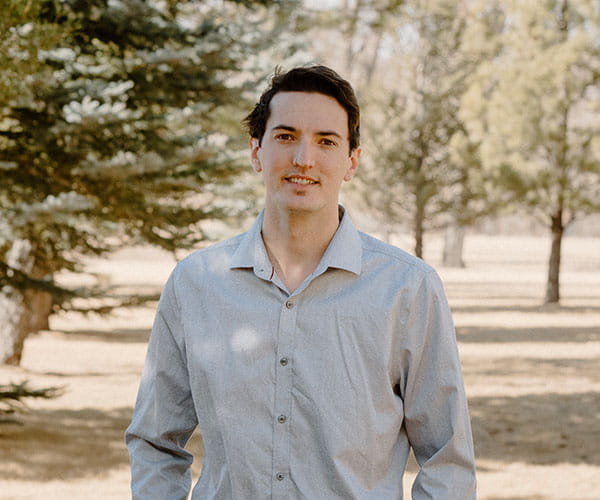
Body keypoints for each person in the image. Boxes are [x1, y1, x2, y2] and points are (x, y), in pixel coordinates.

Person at [125, 64, 477, 499]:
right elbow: (155, 441)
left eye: (326, 141)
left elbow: (448, 458)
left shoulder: (407, 288)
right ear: (256, 151)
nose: (303, 159)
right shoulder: (195, 283)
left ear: (351, 161)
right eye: (286, 136)